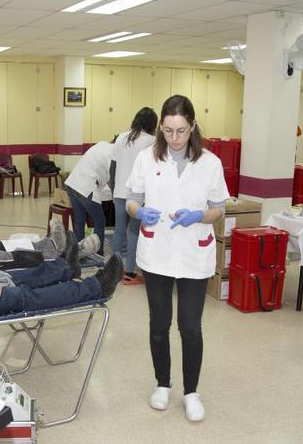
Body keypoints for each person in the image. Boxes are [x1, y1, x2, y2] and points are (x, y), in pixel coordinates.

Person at [125, 95, 230, 422]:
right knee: (159, 323)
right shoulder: (146, 158)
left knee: (190, 326)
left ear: (192, 127)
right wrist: (139, 211)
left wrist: (201, 215)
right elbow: (131, 201)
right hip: (157, 252)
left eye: (181, 131)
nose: (174, 138)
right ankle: (162, 384)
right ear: (160, 128)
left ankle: (191, 392)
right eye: (168, 131)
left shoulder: (210, 162)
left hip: (194, 252)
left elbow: (220, 208)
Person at [111, 107, 158, 286]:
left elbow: (112, 167)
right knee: (133, 233)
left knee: (119, 230)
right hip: (138, 195)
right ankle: (130, 273)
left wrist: (115, 189)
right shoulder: (151, 141)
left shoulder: (121, 137)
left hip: (119, 193)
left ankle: (113, 271)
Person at [64, 141, 115, 255]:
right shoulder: (114, 152)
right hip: (86, 187)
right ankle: (98, 253)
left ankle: (77, 252)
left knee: (79, 220)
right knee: (100, 221)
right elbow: (112, 177)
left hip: (72, 184)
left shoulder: (102, 144)